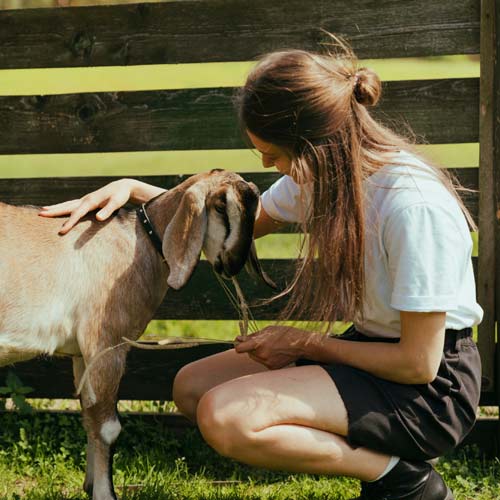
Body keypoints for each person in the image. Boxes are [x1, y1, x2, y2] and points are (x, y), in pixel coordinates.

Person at [39, 41, 482, 500]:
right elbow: (235, 224)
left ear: (316, 142)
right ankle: (380, 454)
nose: (269, 167)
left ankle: (401, 480)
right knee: (192, 388)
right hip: (370, 352)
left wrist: (305, 343)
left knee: (225, 416)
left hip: (429, 394)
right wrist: (134, 191)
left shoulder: (413, 207)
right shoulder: (322, 174)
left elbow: (417, 363)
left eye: (273, 154)